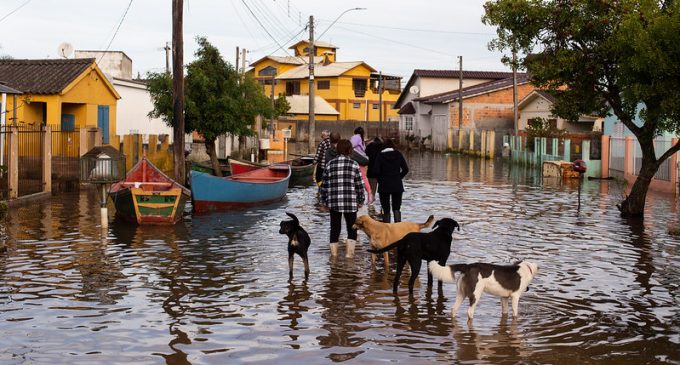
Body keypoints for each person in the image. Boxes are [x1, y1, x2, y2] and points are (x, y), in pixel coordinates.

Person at [320, 139, 365, 258]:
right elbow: (359, 185)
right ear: (350, 150)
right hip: (350, 202)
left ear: (337, 150)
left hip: (334, 202)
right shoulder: (354, 164)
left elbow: (324, 185)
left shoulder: (330, 164)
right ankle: (349, 256)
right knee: (352, 228)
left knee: (335, 228)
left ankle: (334, 256)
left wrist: (324, 201)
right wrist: (361, 200)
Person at [373, 138, 409, 223]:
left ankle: (387, 230)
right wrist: (398, 177)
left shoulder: (380, 156)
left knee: (386, 208)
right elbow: (406, 169)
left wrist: (381, 179)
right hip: (397, 185)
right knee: (397, 208)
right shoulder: (398, 154)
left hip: (384, 186)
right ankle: (398, 228)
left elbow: (375, 171)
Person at [365, 136, 383, 204]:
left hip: (371, 172)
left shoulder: (369, 147)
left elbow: (366, 153)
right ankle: (383, 211)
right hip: (382, 173)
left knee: (371, 192)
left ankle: (370, 210)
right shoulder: (383, 147)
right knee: (384, 193)